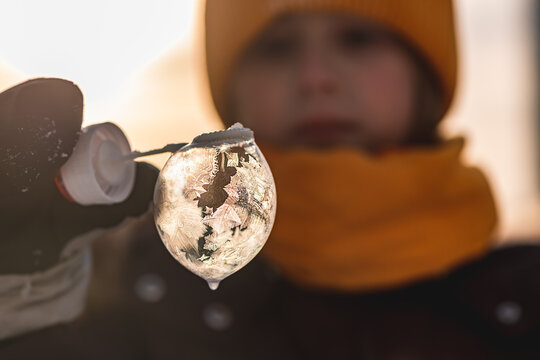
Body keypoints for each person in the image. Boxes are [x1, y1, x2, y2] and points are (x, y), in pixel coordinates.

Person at [1, 0, 540, 359]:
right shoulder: (128, 302)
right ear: (230, 89)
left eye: (356, 38)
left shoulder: (525, 306)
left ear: (425, 70)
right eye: (277, 46)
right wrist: (19, 299)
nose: (315, 78)